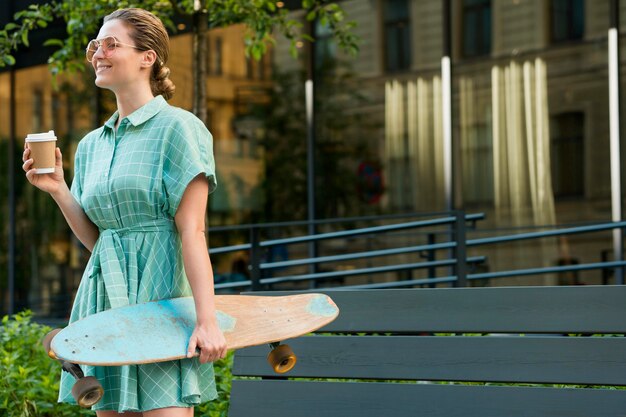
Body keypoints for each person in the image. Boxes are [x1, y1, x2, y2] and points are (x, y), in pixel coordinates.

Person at [22, 8, 227, 416]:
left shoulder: (179, 129)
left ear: (147, 57)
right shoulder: (93, 144)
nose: (98, 52)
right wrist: (58, 189)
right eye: (95, 45)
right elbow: (100, 239)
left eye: (111, 44)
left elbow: (192, 232)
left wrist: (207, 320)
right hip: (106, 299)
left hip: (163, 297)